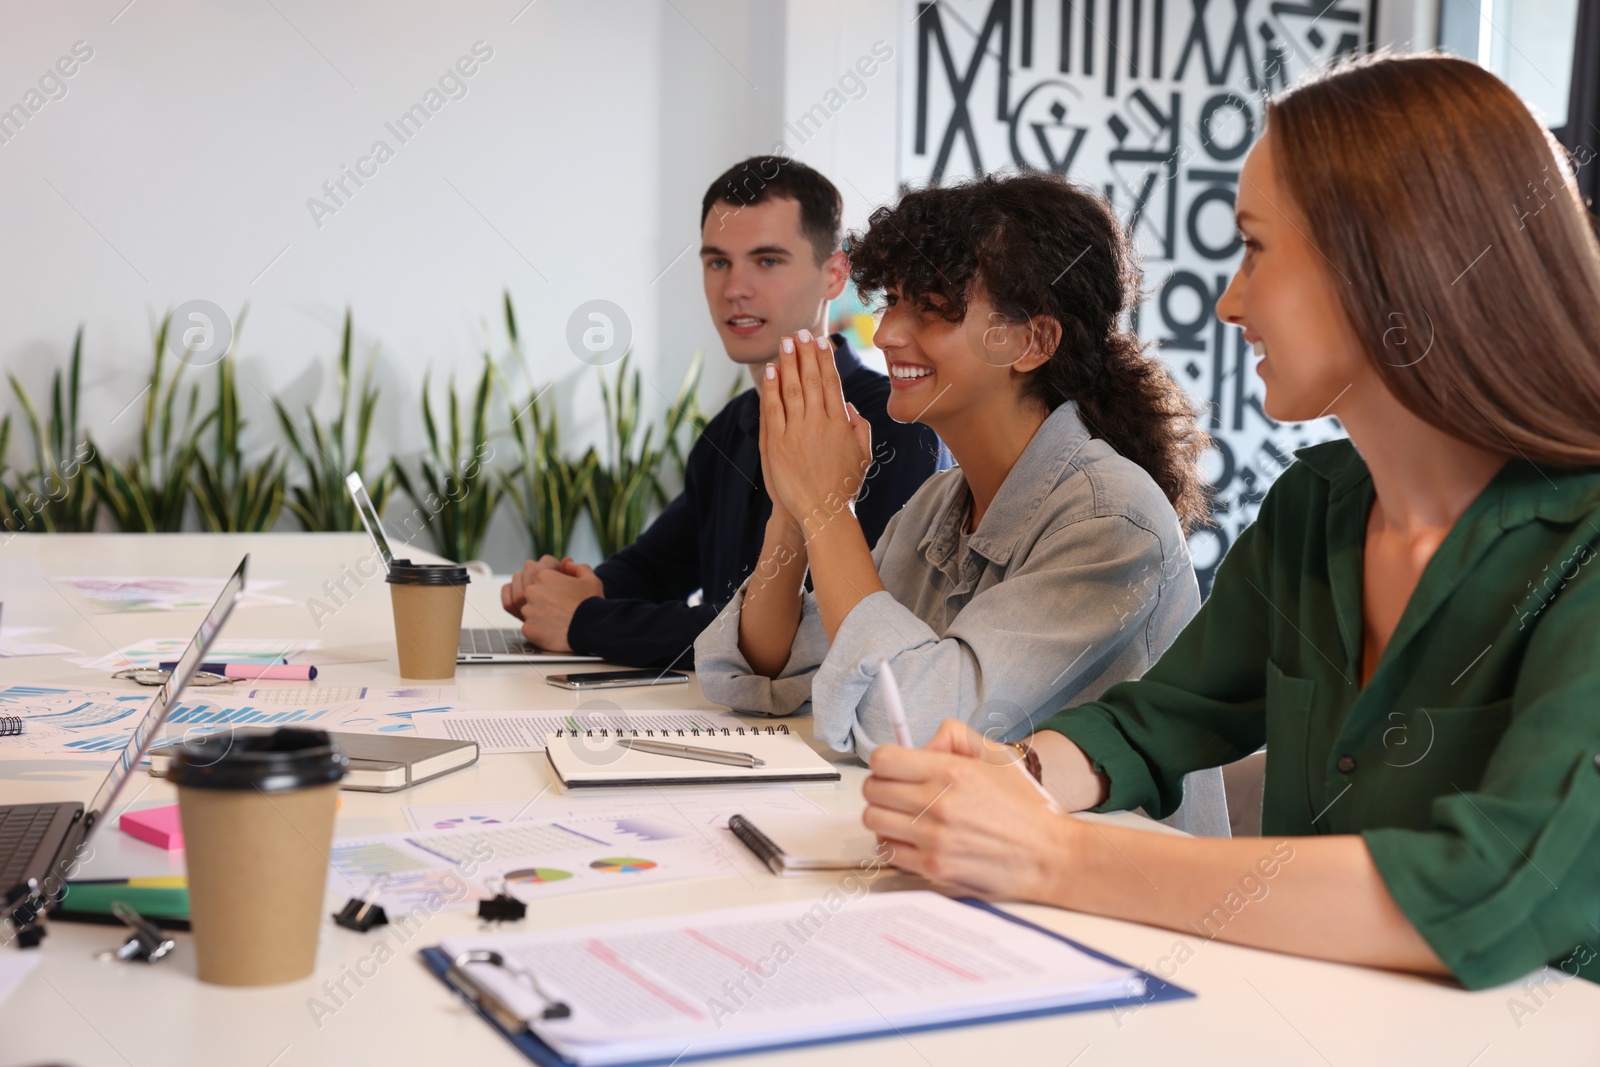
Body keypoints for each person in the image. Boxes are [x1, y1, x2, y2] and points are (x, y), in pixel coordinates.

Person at [860, 52, 1600, 991]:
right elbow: (1162, 719)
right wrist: (1017, 776)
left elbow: (1502, 884)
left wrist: (1051, 856)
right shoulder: (1316, 509)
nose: (1229, 301)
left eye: (1255, 247)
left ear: (1391, 257)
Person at [696, 172, 1229, 833]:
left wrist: (830, 512)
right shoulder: (936, 503)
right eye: (891, 301)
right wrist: (794, 507)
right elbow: (772, 672)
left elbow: (915, 726)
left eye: (931, 307)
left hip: (1108, 915)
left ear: (1033, 342)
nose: (887, 331)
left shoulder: (1111, 518)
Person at [500, 156, 945, 669]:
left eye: (767, 261)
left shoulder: (893, 424)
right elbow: (658, 564)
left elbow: (806, 635)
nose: (735, 288)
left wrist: (587, 621)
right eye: (717, 262)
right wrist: (574, 588)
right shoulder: (729, 427)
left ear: (834, 274)